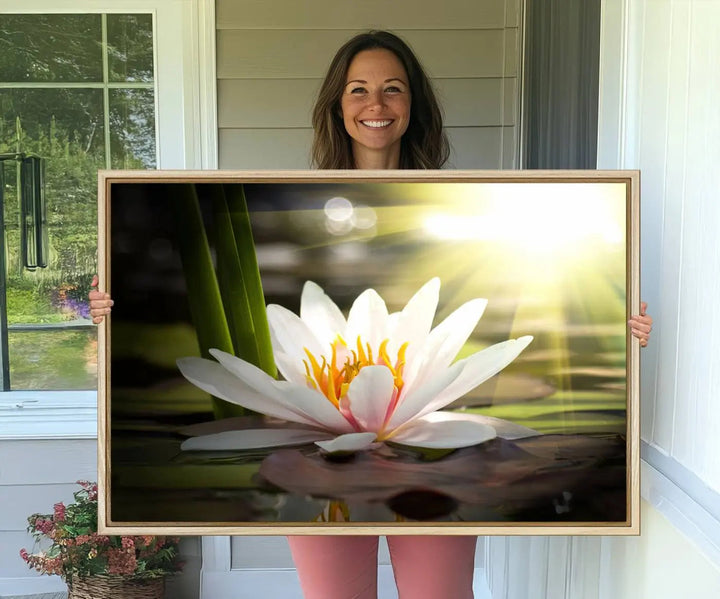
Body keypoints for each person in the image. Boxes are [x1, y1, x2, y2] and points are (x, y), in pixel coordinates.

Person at [90, 30, 653, 599]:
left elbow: (542, 281)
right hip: (315, 452)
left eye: (392, 90)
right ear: (338, 105)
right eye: (358, 90)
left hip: (431, 449)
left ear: (414, 106)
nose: (375, 105)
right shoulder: (292, 198)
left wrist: (623, 327)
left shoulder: (468, 204)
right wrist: (111, 308)